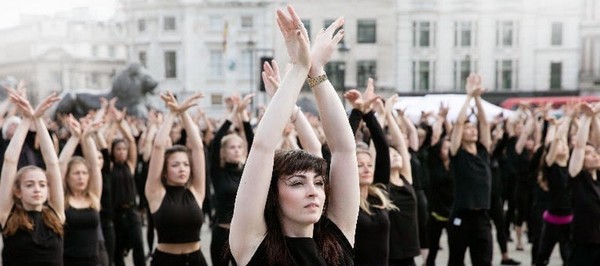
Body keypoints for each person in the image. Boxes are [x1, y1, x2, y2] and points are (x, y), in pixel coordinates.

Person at [229, 6, 358, 265]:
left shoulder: (335, 240)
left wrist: (317, 71)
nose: (314, 192)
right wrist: (300, 68)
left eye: (319, 183)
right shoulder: (253, 244)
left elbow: (344, 150)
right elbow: (263, 148)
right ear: (273, 193)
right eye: (298, 183)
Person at [0, 91, 63, 265]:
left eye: (42, 185)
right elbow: (10, 161)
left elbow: (52, 164)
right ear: (18, 192)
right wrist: (26, 120)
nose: (37, 189)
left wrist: (39, 120)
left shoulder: (56, 214)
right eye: (29, 185)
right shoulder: (8, 216)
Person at [145, 91, 207, 265]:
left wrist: (184, 113)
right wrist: (172, 113)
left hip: (196, 260)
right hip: (165, 261)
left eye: (186, 165)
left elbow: (197, 148)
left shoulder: (196, 190)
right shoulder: (155, 192)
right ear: (165, 171)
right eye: (175, 165)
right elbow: (158, 147)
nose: (182, 169)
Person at [346, 80, 397, 265]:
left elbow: (383, 149)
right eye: (360, 165)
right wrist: (357, 112)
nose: (367, 168)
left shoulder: (379, 195)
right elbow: (340, 148)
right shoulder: (346, 200)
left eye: (369, 164)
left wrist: (369, 114)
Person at [447, 73, 493, 266]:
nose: (472, 129)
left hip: (482, 216)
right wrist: (468, 97)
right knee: (456, 260)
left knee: (483, 260)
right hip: (461, 215)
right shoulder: (457, 153)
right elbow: (458, 124)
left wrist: (478, 98)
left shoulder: (483, 151)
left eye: (473, 128)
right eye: (468, 128)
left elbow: (484, 123)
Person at [209, 92, 254, 266]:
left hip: (243, 236)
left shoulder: (247, 171)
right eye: (232, 147)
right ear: (223, 152)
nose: (236, 150)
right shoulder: (218, 172)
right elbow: (217, 140)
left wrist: (244, 116)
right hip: (221, 233)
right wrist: (234, 111)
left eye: (239, 147)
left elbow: (253, 142)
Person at [59, 115, 104, 265]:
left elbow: (94, 165)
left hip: (93, 261)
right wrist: (74, 138)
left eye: (84, 173)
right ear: (67, 177)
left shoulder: (93, 197)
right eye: (76, 173)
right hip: (68, 261)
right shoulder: (62, 200)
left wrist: (87, 137)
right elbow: (60, 165)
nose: (81, 177)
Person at [535, 102, 576, 266]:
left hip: (569, 220)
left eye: (565, 146)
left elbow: (570, 141)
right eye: (559, 145)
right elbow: (558, 138)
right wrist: (567, 118)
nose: (563, 147)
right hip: (552, 220)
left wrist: (571, 118)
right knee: (543, 255)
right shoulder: (551, 165)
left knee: (568, 257)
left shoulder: (572, 168)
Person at [108, 107, 145, 266]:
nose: (122, 152)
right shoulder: (109, 167)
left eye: (123, 149)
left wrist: (121, 123)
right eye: (118, 149)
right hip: (116, 213)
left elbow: (131, 141)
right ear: (113, 151)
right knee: (118, 250)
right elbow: (107, 143)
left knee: (138, 246)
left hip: (132, 212)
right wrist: (114, 125)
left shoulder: (130, 165)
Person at [567, 102, 600, 265]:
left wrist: (595, 118)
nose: (594, 156)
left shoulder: (598, 177)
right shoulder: (578, 176)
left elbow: (598, 143)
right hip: (583, 245)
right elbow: (579, 146)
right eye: (589, 154)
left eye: (595, 154)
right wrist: (586, 118)